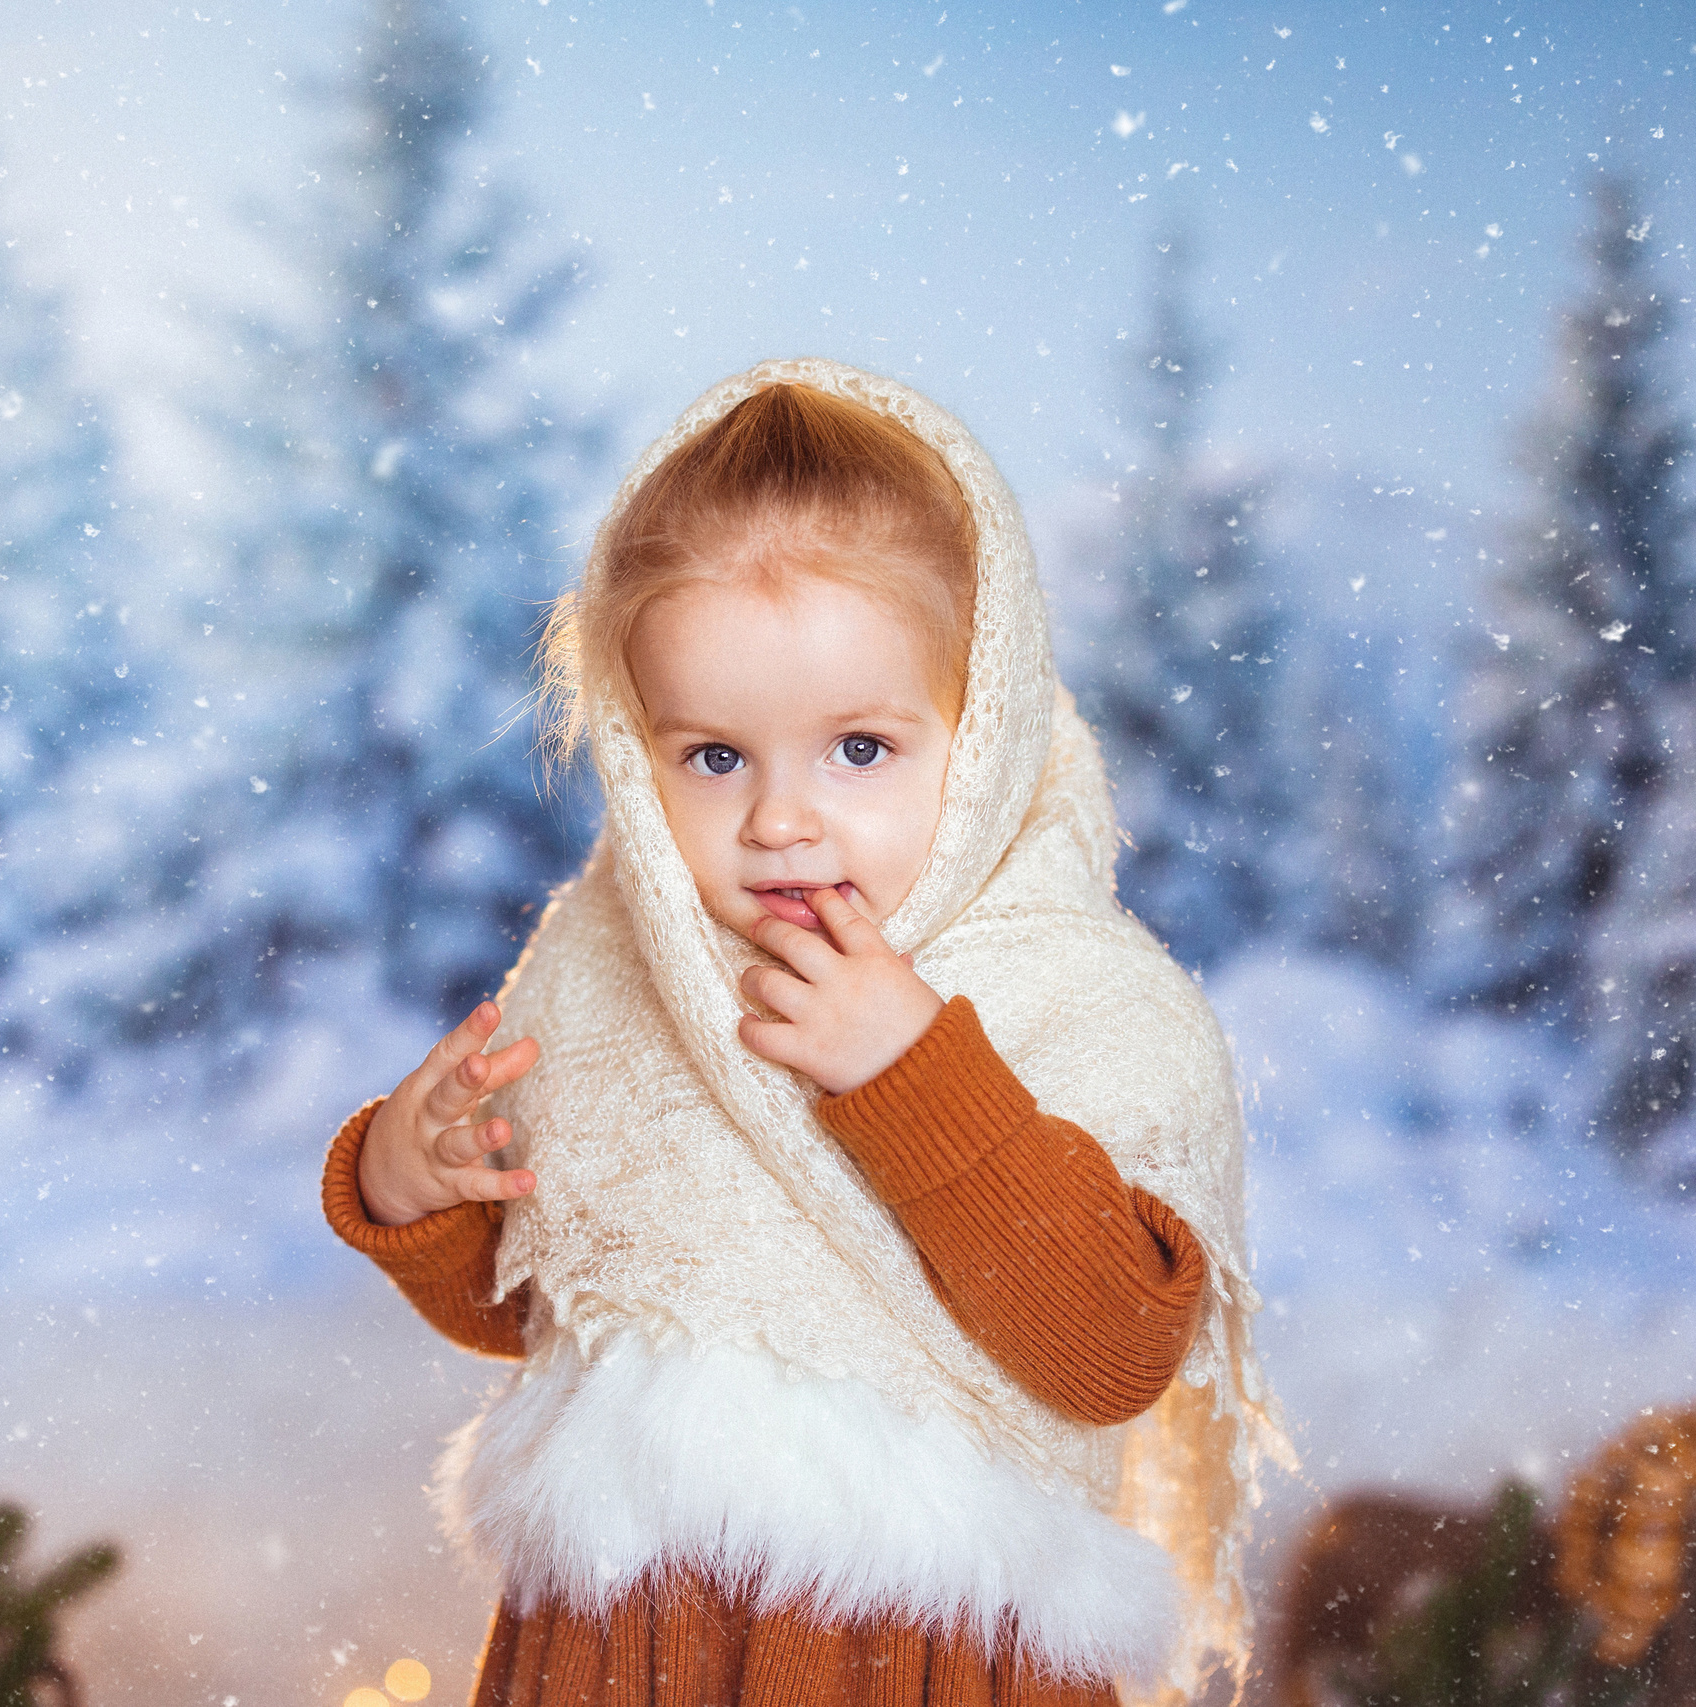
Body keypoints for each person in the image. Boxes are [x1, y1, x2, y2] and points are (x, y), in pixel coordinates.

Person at [318, 359, 1284, 1707]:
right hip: (620, 1645)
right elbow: (545, 1304)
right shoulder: (614, 967)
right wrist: (415, 1190)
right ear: (637, 747)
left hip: (933, 1649)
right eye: (714, 757)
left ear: (984, 727)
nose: (781, 820)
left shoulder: (1086, 999)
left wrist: (914, 1074)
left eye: (860, 750)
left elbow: (1109, 1349)